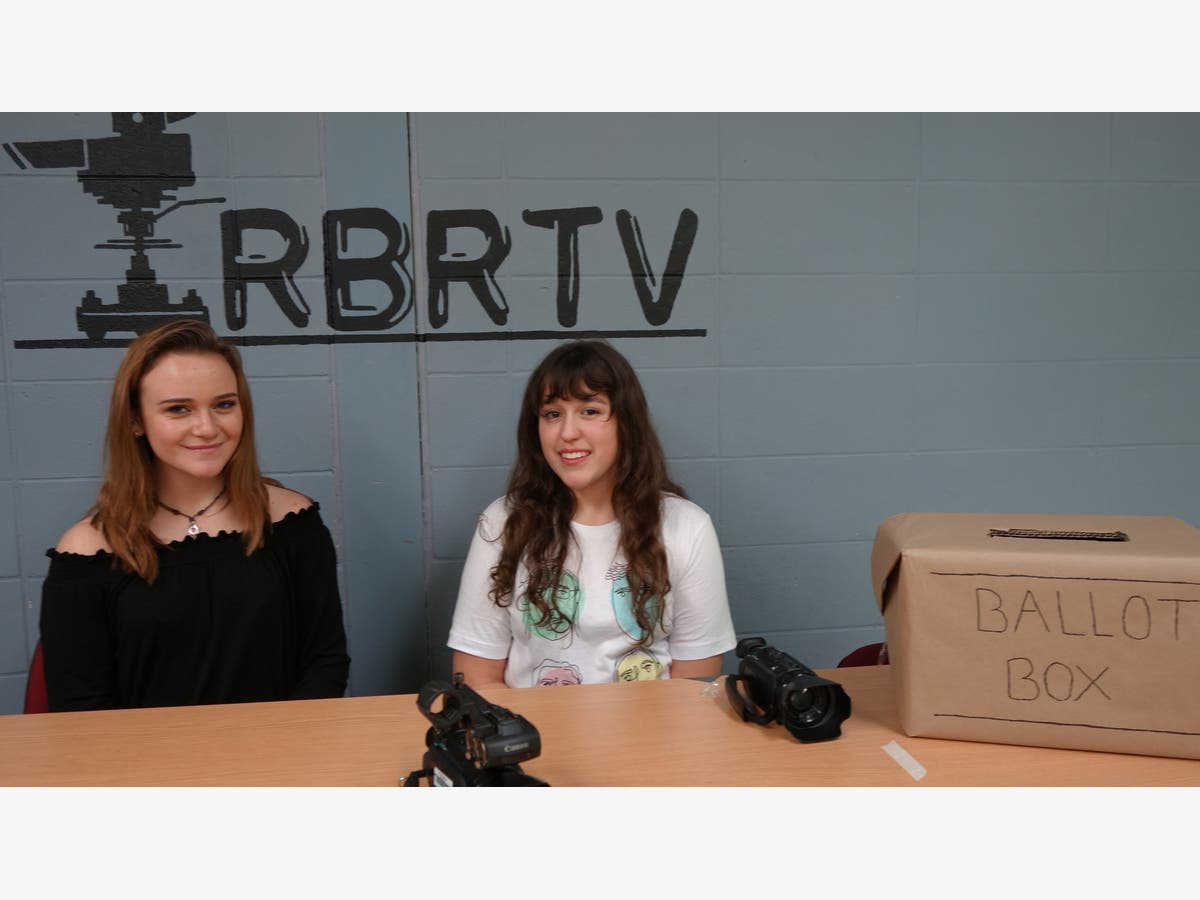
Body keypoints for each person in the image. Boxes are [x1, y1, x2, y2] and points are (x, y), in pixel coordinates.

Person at [39, 320, 350, 711]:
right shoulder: (87, 549)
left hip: (282, 746)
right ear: (135, 420)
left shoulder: (291, 520)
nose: (207, 428)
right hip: (145, 752)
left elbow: (325, 662)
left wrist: (279, 743)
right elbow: (81, 708)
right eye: (178, 409)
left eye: (224, 405)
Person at [447, 340, 736, 689]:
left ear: (627, 422)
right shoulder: (502, 522)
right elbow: (477, 678)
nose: (567, 433)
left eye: (589, 411)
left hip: (652, 724)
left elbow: (694, 684)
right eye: (552, 414)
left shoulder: (687, 526)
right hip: (531, 725)